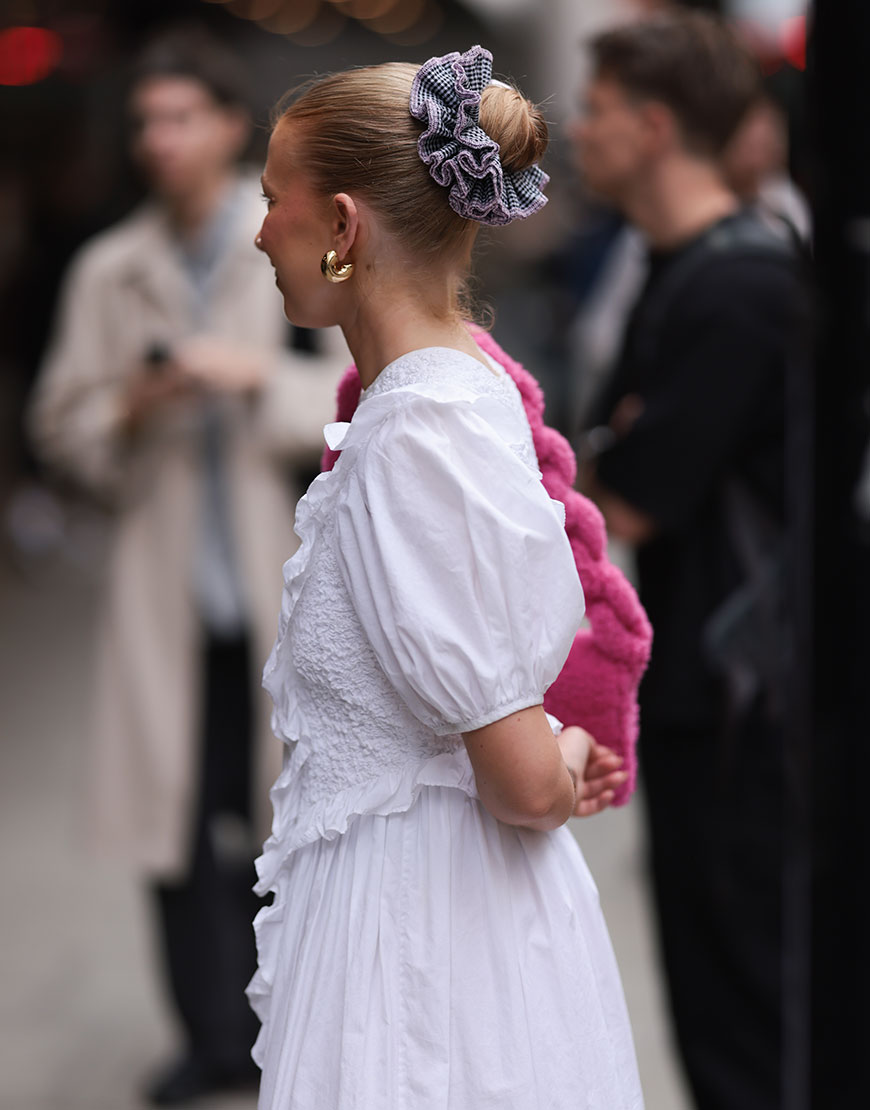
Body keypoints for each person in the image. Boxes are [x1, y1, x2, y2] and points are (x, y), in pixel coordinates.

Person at [246, 45, 644, 1110]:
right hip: (424, 914)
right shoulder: (435, 394)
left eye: (271, 200)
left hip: (424, 949)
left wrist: (560, 751)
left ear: (341, 226)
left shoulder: (421, 428)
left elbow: (519, 780)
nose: (258, 232)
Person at [27, 28, 347, 1106]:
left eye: (179, 118)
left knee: (285, 825)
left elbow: (363, 398)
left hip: (278, 590)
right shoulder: (108, 270)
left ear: (227, 129)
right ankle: (208, 1037)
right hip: (163, 597)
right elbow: (58, 428)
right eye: (143, 122)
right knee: (173, 826)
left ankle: (284, 1027)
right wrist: (134, 403)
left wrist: (254, 379)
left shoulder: (294, 245)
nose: (157, 141)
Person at [572, 13, 808, 1110]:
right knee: (708, 985)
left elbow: (625, 491)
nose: (578, 130)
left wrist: (617, 447)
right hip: (699, 683)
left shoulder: (741, 285)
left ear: (657, 127)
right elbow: (600, 445)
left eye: (598, 109)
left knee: (741, 997)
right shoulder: (683, 263)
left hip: (742, 701)